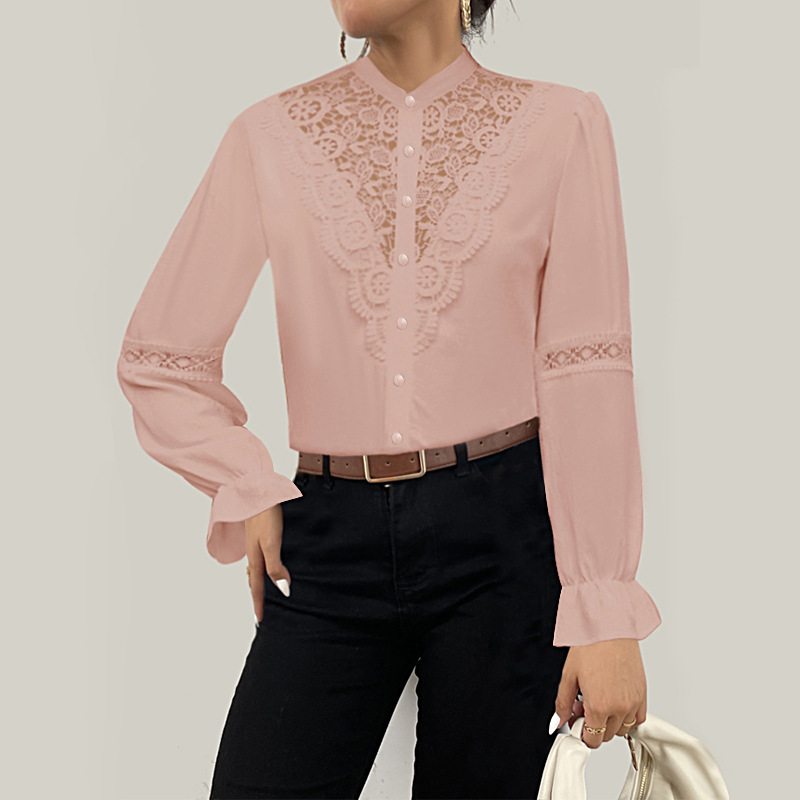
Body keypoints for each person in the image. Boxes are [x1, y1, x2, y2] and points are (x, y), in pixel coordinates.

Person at [116, 0, 663, 797]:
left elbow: (587, 372)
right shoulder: (270, 135)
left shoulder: (562, 126)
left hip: (505, 540)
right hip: (327, 536)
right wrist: (246, 482)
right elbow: (161, 358)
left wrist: (604, 608)